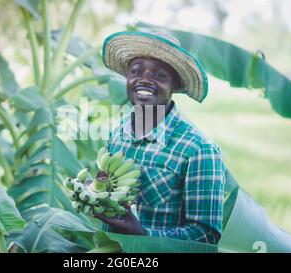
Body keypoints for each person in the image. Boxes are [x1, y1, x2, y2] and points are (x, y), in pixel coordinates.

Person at [93, 31, 226, 244]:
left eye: (159, 75)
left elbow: (206, 235)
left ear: (173, 86)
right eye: (135, 71)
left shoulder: (198, 150)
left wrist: (145, 237)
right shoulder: (117, 133)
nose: (144, 80)